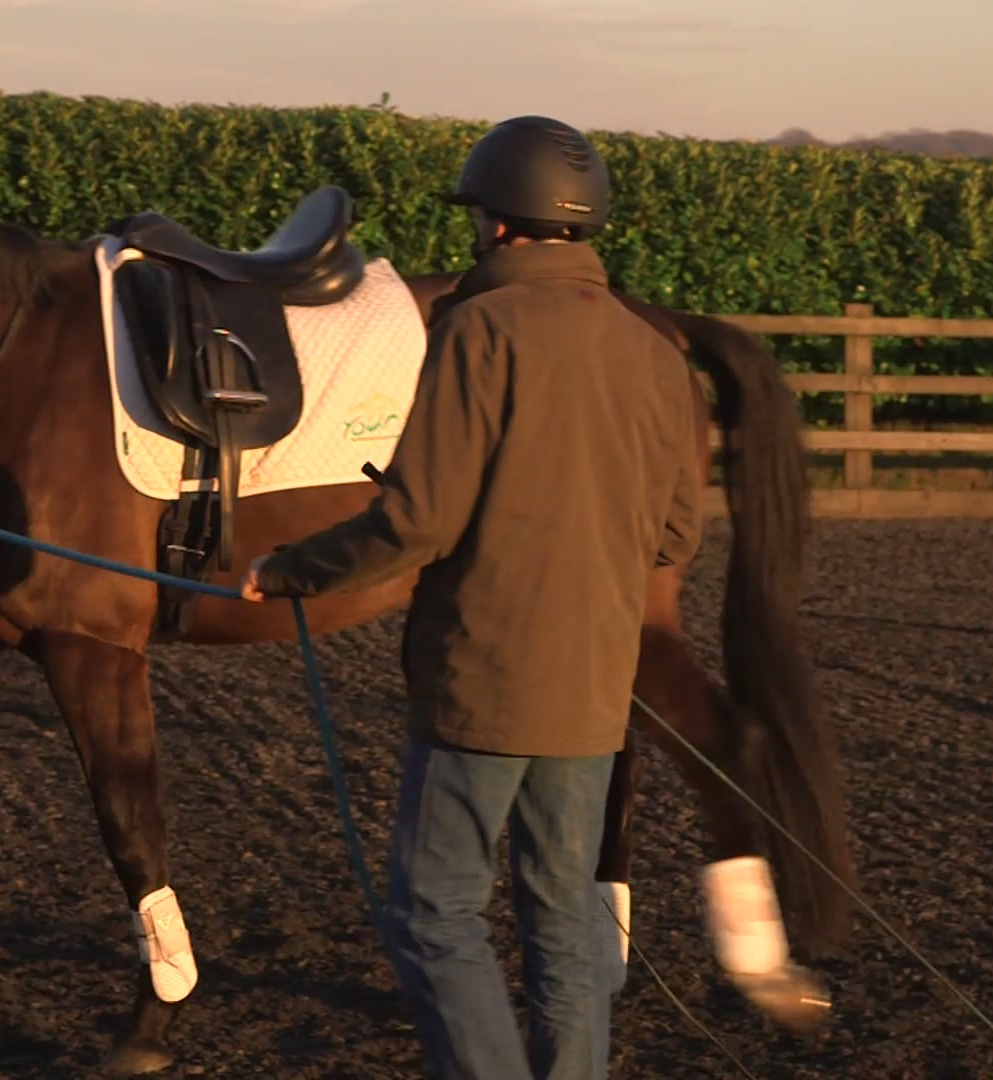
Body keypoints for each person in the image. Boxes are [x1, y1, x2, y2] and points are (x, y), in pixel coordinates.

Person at [239, 114, 705, 1080]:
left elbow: (416, 523)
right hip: (591, 689)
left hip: (484, 682)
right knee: (566, 917)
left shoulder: (478, 329)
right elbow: (673, 535)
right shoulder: (654, 353)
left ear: (496, 223)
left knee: (431, 908)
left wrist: (286, 571)